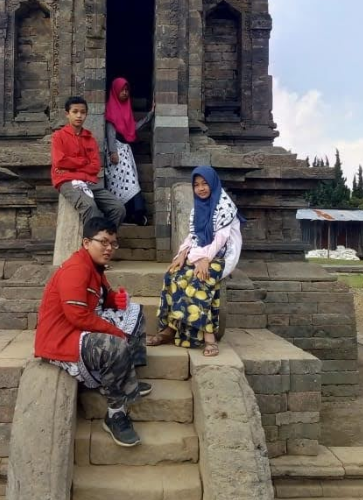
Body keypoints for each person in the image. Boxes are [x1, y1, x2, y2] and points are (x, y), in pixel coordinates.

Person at [34, 216, 149, 447]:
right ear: (87, 242)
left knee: (135, 312)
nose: (109, 248)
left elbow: (103, 300)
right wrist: (114, 333)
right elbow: (77, 316)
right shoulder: (76, 269)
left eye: (113, 244)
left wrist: (117, 301)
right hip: (63, 337)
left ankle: (128, 377)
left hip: (79, 327)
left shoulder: (94, 268)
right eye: (103, 242)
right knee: (114, 344)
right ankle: (115, 413)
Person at [146, 166, 243, 357]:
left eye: (205, 183)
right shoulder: (197, 208)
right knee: (173, 275)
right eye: (196, 185)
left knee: (201, 278)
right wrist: (182, 254)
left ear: (213, 183)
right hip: (201, 253)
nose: (201, 188)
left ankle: (209, 338)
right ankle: (170, 329)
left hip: (223, 255)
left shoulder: (224, 206)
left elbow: (221, 240)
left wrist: (205, 260)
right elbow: (193, 236)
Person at [52, 96, 126, 229]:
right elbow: (60, 161)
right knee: (90, 207)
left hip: (89, 182)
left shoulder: (90, 139)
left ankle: (105, 237)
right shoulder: (59, 136)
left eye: (83, 112)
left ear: (86, 114)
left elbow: (95, 167)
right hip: (67, 181)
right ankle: (91, 244)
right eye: (75, 112)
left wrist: (72, 166)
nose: (79, 115)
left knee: (118, 208)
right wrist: (83, 162)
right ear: (67, 114)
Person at [104, 78, 154, 226]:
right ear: (115, 91)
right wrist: (113, 151)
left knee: (131, 181)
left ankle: (136, 214)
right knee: (124, 183)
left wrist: (150, 115)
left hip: (125, 150)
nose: (125, 93)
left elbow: (133, 128)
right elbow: (110, 132)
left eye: (127, 90)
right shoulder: (111, 108)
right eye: (122, 90)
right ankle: (133, 213)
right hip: (116, 152)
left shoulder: (126, 110)